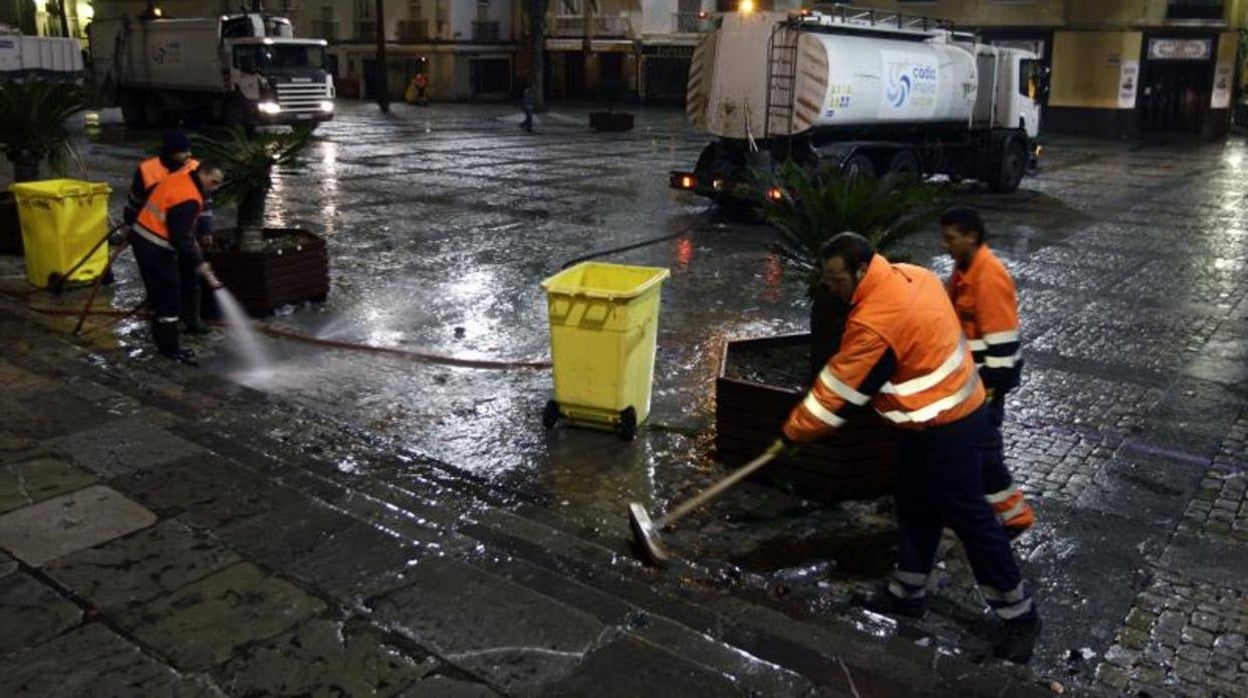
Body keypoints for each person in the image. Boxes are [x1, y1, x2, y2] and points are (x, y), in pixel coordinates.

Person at [775, 232, 1041, 664]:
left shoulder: (874, 320)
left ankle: (1020, 615)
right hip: (939, 420)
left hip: (947, 429)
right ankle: (907, 591)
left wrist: (791, 434)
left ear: (862, 271)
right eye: (826, 280)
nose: (830, 288)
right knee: (914, 503)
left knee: (972, 519)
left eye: (836, 280)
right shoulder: (913, 276)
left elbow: (837, 392)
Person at [940, 207, 1034, 541]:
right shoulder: (965, 269)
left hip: (987, 382)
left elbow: (1002, 341)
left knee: (983, 451)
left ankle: (1014, 516)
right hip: (974, 379)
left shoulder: (988, 276)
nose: (946, 245)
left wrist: (990, 389)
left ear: (971, 237)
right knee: (973, 451)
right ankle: (985, 511)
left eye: (952, 239)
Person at [129, 162, 226, 366]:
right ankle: (169, 350)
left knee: (160, 296)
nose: (215, 187)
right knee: (169, 300)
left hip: (144, 239)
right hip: (154, 247)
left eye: (219, 184)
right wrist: (199, 263)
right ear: (202, 173)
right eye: (213, 181)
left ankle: (163, 342)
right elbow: (180, 239)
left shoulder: (180, 179)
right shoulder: (189, 198)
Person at [123, 132, 215, 335]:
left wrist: (206, 228)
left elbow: (206, 200)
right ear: (169, 153)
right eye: (182, 153)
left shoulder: (194, 168)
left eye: (188, 151)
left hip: (184, 234)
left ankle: (192, 320)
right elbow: (135, 202)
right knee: (160, 283)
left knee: (190, 276)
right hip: (155, 238)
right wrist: (130, 226)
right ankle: (161, 320)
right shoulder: (148, 170)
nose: (188, 156)